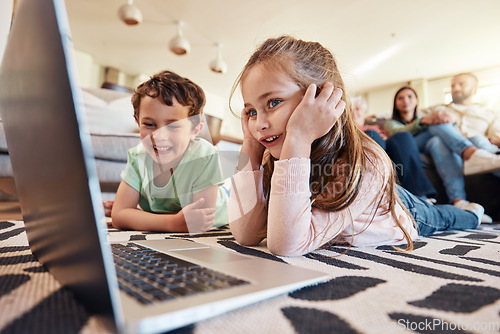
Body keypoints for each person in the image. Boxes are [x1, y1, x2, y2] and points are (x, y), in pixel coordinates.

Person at [227, 35, 483, 257]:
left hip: (403, 211)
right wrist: (249, 145)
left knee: (446, 217)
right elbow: (245, 234)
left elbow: (286, 245)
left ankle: (473, 211)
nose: (258, 123)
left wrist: (299, 137)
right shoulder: (274, 158)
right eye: (250, 111)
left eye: (273, 103)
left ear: (323, 98)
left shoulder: (367, 163)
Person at [109, 70, 228, 233]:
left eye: (172, 126)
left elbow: (199, 221)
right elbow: (119, 215)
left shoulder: (205, 155)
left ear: (194, 129)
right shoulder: (138, 156)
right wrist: (174, 223)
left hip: (226, 206)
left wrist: (137, 217)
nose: (159, 136)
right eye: (149, 125)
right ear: (138, 122)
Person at [384, 86, 500, 223]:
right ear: (395, 103)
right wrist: (424, 121)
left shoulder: (426, 116)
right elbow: (399, 133)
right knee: (435, 125)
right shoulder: (390, 122)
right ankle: (470, 152)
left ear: (416, 100)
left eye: (410, 96)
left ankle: (459, 200)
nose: (405, 101)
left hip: (430, 144)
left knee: (437, 142)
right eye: (400, 98)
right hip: (412, 145)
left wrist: (449, 119)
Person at [351, 96, 436, 199]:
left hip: (390, 151)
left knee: (403, 136)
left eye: (357, 109)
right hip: (372, 151)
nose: (354, 112)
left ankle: (421, 197)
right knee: (372, 135)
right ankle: (379, 195)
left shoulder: (378, 126)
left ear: (364, 112)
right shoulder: (348, 130)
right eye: (350, 109)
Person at [423, 73, 500, 149]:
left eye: (461, 84)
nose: (456, 89)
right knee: (436, 142)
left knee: (479, 140)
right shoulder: (438, 109)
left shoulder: (490, 114)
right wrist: (430, 119)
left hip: (480, 146)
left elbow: (496, 137)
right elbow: (415, 121)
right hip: (448, 149)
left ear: (474, 88)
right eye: (452, 86)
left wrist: (490, 139)